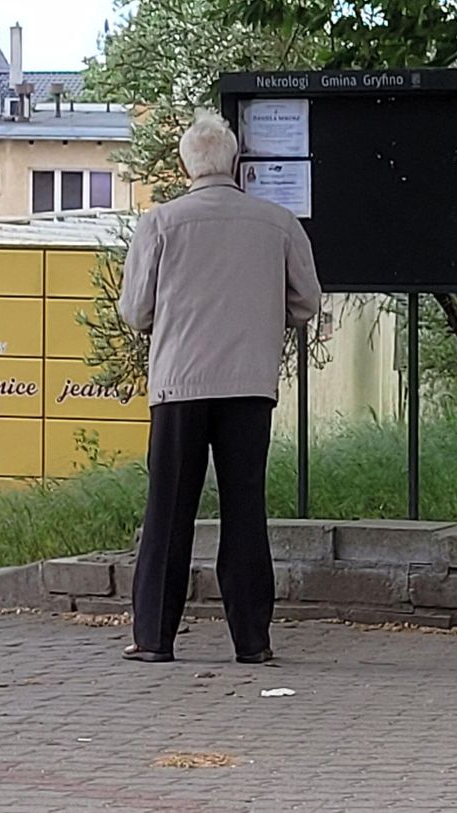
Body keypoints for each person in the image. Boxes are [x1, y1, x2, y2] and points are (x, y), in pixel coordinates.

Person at [119, 109, 321, 664]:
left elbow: (135, 311)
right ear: (234, 163)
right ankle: (252, 641)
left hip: (178, 385)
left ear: (187, 165)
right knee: (245, 508)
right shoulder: (278, 223)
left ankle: (154, 637)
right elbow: (306, 302)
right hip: (249, 384)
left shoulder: (160, 224)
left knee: (167, 510)